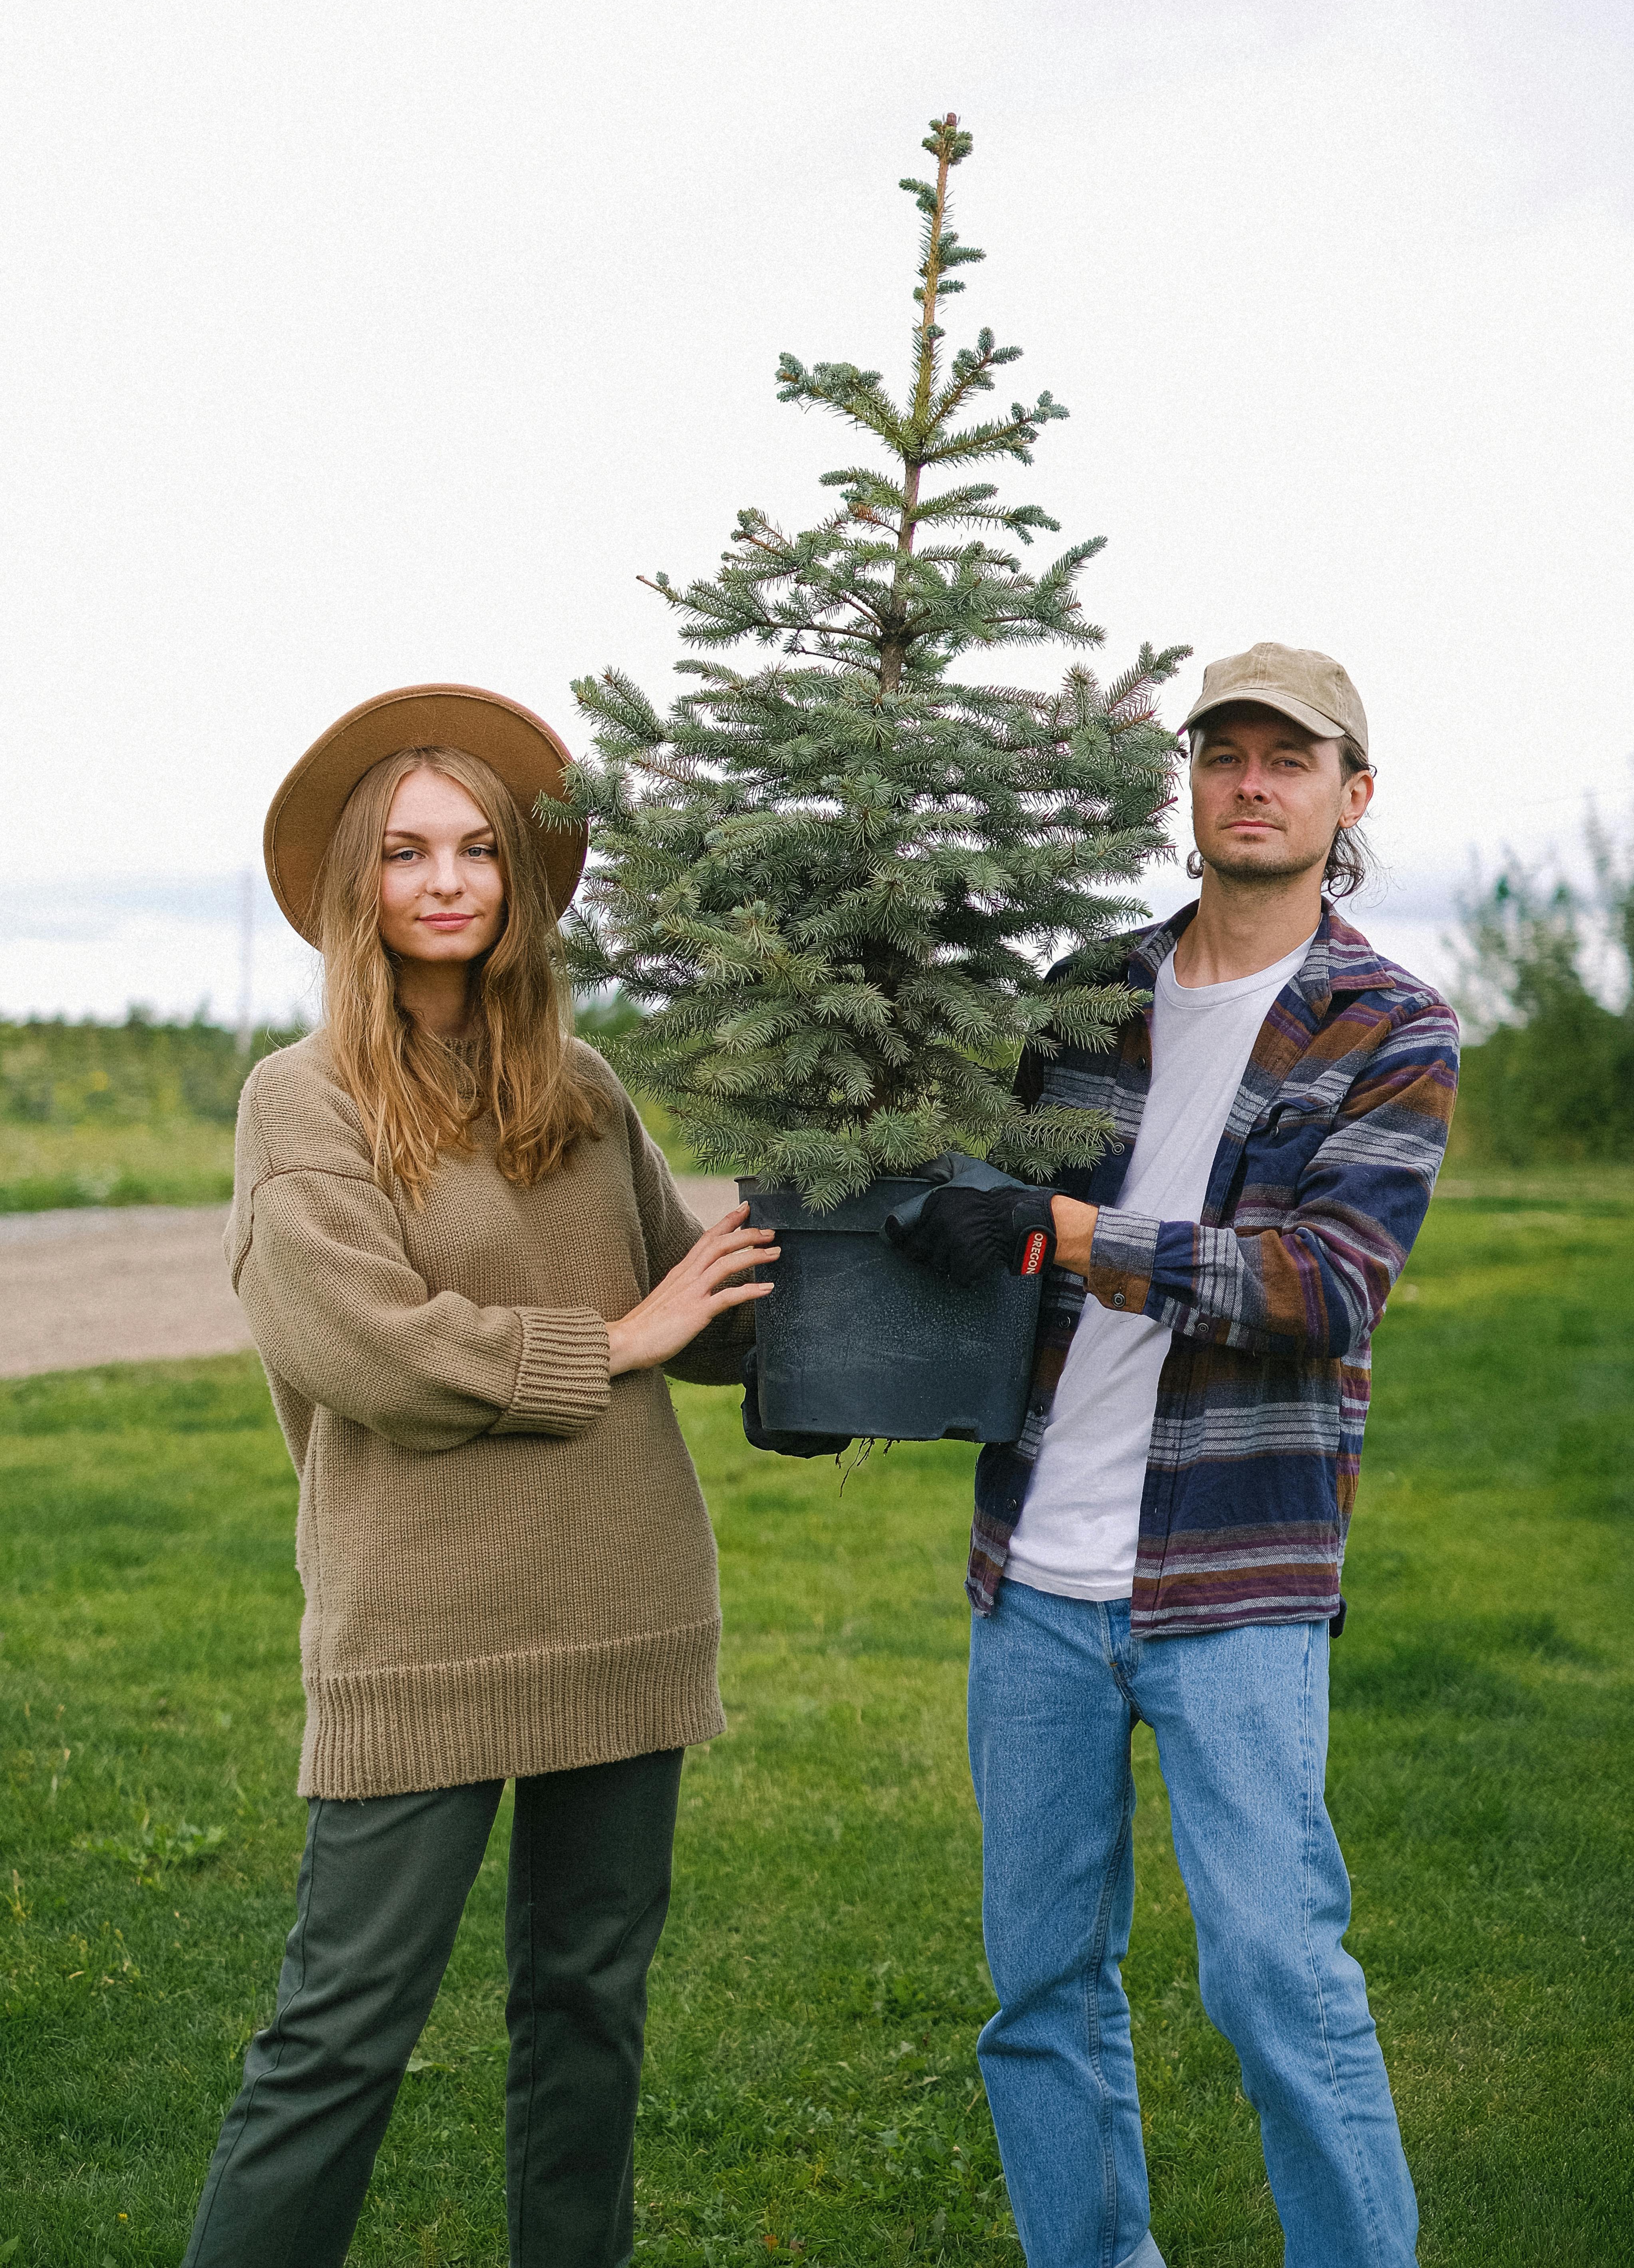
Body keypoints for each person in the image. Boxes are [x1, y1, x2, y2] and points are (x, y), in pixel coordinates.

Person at [182, 682, 777, 2268]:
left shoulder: (584, 1096)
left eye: (477, 851)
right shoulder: (296, 1102)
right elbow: (373, 1348)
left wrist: (846, 1228)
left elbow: (694, 1313)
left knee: (589, 2016)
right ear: (354, 889)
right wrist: (620, 1341)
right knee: (338, 2036)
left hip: (623, 1610)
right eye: (405, 852)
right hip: (420, 1638)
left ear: (518, 881)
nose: (447, 881)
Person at [891, 643, 1459, 2268]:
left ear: (1351, 796)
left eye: (1294, 758)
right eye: (1229, 752)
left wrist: (1063, 1230)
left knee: (1280, 1981)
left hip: (1235, 1581)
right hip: (1035, 1586)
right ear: (1193, 781)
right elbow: (958, 1192)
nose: (1255, 781)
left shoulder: (1389, 1027)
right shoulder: (1089, 993)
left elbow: (1317, 1285)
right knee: (1039, 1988)